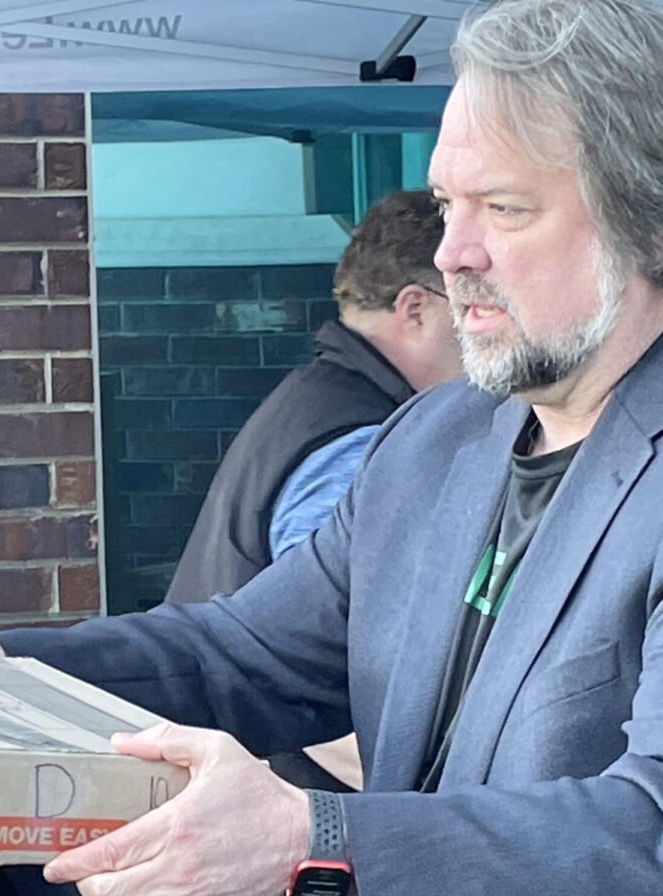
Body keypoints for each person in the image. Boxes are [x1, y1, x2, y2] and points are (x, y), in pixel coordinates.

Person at [0, 2, 663, 894]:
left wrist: (310, 835)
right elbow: (240, 656)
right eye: (446, 205)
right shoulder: (437, 436)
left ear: (656, 223)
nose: (453, 253)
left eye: (504, 208)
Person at [166, 188, 461, 791]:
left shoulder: (317, 403)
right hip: (293, 805)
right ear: (415, 308)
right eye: (474, 302)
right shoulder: (359, 442)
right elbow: (325, 667)